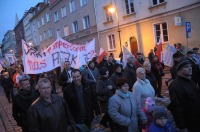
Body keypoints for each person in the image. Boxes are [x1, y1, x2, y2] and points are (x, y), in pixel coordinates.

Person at [168, 58, 200, 131]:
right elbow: (176, 106)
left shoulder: (190, 80)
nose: (190, 68)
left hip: (197, 119)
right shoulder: (175, 85)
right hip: (189, 122)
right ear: (179, 70)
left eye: (190, 66)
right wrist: (181, 126)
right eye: (186, 67)